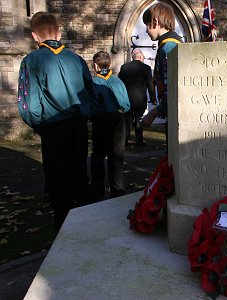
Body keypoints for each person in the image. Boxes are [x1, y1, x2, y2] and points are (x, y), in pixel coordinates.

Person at [17, 12, 98, 230]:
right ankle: (89, 225)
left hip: (53, 127)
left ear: (35, 36)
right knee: (81, 177)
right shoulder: (77, 59)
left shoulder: (31, 61)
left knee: (59, 182)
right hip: (78, 125)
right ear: (59, 32)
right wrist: (86, 114)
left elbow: (28, 103)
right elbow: (91, 94)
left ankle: (65, 232)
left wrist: (38, 124)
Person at [140, 2, 183, 149]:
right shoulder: (169, 45)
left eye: (147, 25)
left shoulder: (169, 48)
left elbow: (174, 88)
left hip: (176, 115)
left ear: (155, 22)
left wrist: (154, 112)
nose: (146, 30)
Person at [91, 51, 130, 200]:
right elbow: (126, 105)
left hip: (100, 121)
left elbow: (91, 105)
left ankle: (97, 191)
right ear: (110, 64)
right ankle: (117, 189)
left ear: (95, 66)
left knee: (98, 156)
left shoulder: (94, 83)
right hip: (118, 120)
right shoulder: (117, 81)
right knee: (117, 156)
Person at [118, 49, 154, 147]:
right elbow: (150, 84)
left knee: (127, 121)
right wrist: (153, 98)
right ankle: (139, 141)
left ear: (133, 57)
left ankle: (124, 141)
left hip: (127, 99)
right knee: (139, 120)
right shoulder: (146, 68)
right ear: (141, 57)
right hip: (140, 99)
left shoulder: (124, 67)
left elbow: (119, 83)